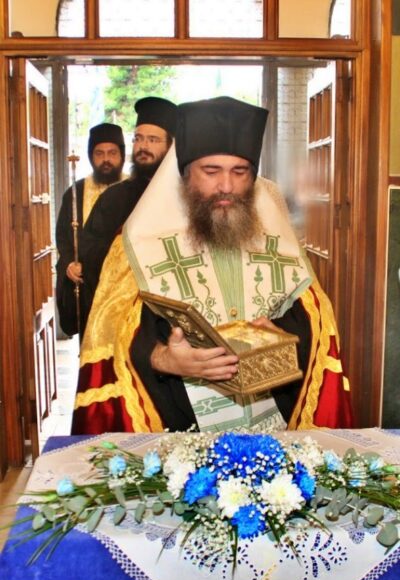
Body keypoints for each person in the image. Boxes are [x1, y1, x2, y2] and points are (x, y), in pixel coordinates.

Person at [72, 97, 353, 434]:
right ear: (185, 174)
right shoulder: (139, 243)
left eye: (240, 172)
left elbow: (315, 321)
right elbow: (111, 332)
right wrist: (161, 358)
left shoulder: (278, 239)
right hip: (177, 426)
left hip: (274, 425)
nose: (227, 186)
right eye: (211, 171)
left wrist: (286, 338)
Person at [77, 97, 177, 330]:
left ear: (171, 146)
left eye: (153, 140)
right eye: (138, 139)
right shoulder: (114, 198)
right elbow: (89, 251)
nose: (143, 147)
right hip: (120, 316)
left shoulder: (186, 197)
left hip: (172, 316)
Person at [56, 122, 126, 338]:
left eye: (112, 153)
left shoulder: (135, 189)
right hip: (90, 286)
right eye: (99, 153)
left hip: (127, 285)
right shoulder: (76, 193)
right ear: (90, 156)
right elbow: (63, 237)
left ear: (122, 155)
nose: (106, 159)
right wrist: (69, 263)